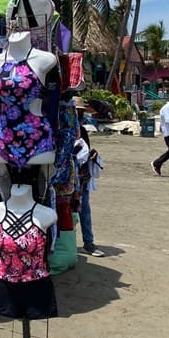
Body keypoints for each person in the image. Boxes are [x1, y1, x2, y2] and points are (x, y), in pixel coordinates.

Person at [74, 97, 104, 257]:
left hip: (82, 176)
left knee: (84, 210)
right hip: (66, 176)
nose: (78, 114)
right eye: (77, 111)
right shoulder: (61, 129)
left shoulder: (82, 130)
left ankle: (88, 243)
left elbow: (86, 150)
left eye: (80, 112)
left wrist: (92, 154)